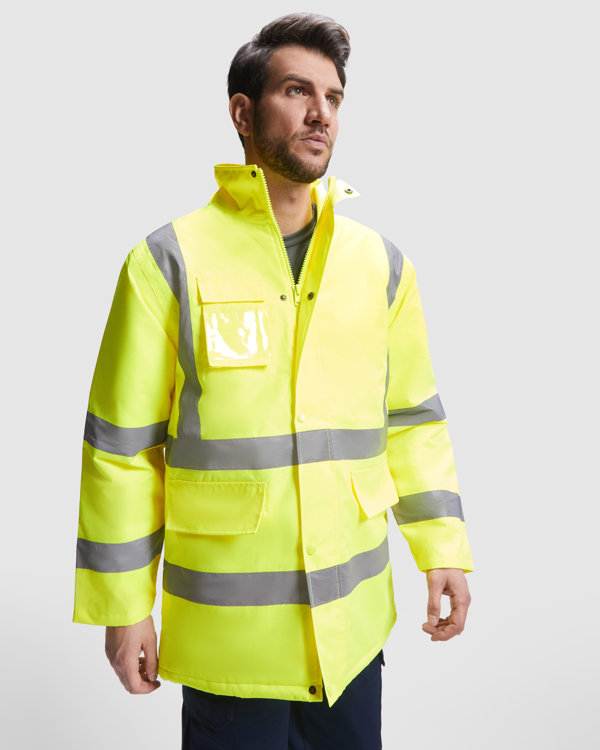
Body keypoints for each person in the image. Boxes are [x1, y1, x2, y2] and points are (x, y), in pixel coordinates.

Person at [73, 12, 473, 749]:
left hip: (352, 639)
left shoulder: (381, 266)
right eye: (297, 90)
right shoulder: (168, 262)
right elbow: (122, 450)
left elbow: (413, 420)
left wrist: (442, 548)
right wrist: (123, 606)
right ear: (242, 113)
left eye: (334, 97)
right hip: (231, 649)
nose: (322, 112)